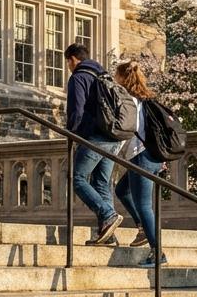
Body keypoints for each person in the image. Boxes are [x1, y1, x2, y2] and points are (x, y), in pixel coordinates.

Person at [64, 43, 122, 245]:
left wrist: (72, 133)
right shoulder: (104, 75)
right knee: (101, 183)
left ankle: (108, 214)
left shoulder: (78, 77)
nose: (69, 67)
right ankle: (108, 234)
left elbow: (77, 110)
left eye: (68, 63)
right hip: (113, 137)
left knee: (77, 178)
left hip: (94, 137)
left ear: (72, 59)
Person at [113, 61, 165, 268]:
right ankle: (143, 228)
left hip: (141, 156)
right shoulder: (144, 99)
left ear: (122, 78)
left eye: (116, 75)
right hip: (150, 155)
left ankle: (158, 252)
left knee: (144, 206)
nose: (115, 79)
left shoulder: (129, 100)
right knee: (122, 190)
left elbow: (128, 128)